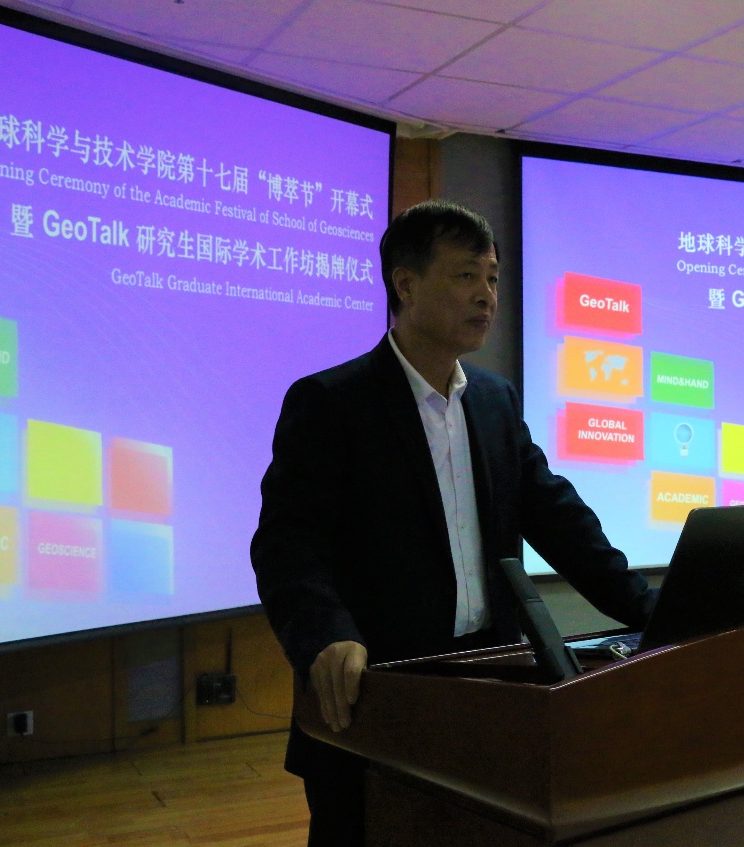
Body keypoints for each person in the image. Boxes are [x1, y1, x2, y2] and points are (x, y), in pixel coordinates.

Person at [250, 200, 656, 847]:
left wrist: (653, 611)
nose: (487, 295)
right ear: (405, 284)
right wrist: (325, 635)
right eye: (466, 275)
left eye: (492, 277)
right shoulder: (332, 402)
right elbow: (288, 545)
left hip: (488, 689)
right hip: (376, 698)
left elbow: (561, 521)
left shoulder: (493, 400)